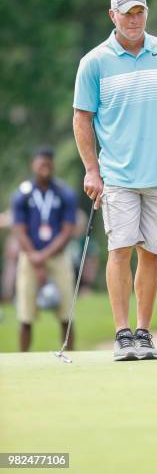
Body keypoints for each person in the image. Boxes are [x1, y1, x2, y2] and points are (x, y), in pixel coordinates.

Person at [73, 0, 157, 361]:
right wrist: (91, 170)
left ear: (146, 14)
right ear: (112, 16)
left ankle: (143, 332)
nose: (133, 19)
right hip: (116, 176)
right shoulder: (94, 62)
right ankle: (122, 334)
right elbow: (82, 118)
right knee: (119, 250)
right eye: (126, 13)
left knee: (150, 254)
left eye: (139, 12)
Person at [11, 147, 77, 351]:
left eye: (48, 164)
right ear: (33, 164)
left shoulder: (64, 193)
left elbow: (67, 231)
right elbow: (19, 230)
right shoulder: (22, 194)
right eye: (41, 164)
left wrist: (44, 256)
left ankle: (71, 356)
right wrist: (35, 257)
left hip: (57, 257)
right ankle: (23, 359)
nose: (44, 168)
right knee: (26, 316)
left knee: (66, 314)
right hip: (29, 257)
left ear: (53, 165)